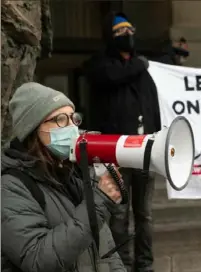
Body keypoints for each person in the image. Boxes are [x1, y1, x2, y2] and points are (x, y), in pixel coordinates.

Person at [1, 82, 126, 272]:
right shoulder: (11, 187)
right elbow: (37, 259)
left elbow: (105, 249)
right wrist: (98, 202)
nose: (72, 128)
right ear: (33, 128)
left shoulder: (72, 176)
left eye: (72, 118)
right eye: (60, 119)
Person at [83, 12, 161, 272]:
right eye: (120, 33)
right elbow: (113, 76)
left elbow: (154, 109)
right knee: (118, 215)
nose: (127, 37)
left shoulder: (144, 74)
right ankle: (122, 267)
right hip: (115, 155)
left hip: (145, 152)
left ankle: (145, 266)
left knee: (145, 215)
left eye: (130, 31)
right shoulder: (100, 65)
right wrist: (141, 64)